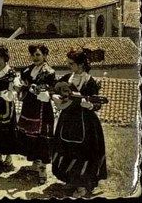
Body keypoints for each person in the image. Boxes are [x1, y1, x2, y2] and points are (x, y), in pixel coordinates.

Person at [52, 48, 107, 198]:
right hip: (68, 120)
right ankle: (70, 179)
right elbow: (55, 90)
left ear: (81, 64)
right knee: (66, 148)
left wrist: (89, 105)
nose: (69, 66)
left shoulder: (91, 82)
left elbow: (97, 104)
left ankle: (82, 186)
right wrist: (56, 97)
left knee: (83, 152)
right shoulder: (67, 77)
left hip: (85, 122)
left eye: (71, 63)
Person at [15, 43, 56, 184]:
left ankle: (42, 171)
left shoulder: (49, 72)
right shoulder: (27, 70)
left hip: (42, 109)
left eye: (38, 54)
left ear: (45, 55)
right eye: (33, 55)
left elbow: (51, 90)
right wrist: (20, 86)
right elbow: (22, 82)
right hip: (29, 107)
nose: (35, 57)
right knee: (30, 136)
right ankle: (35, 163)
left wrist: (40, 91)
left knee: (42, 138)